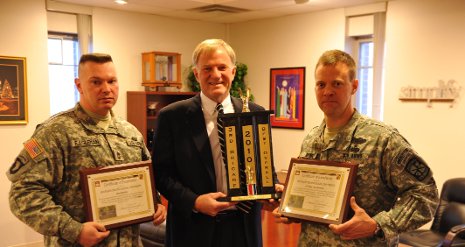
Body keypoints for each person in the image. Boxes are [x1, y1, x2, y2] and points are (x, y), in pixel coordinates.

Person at [273, 50, 439, 246]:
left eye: (337, 83)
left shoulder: (383, 139)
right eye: (321, 84)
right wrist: (292, 206)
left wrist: (378, 224)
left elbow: (426, 193)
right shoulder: (311, 139)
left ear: (354, 86)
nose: (327, 91)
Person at [7, 53, 166, 246]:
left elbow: (146, 179)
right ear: (79, 85)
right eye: (96, 82)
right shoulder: (55, 133)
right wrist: (74, 230)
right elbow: (22, 193)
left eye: (112, 81)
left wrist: (155, 203)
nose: (106, 89)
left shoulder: (130, 133)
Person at [152, 38, 282, 247]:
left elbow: (264, 166)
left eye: (222, 67)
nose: (215, 75)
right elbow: (161, 175)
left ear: (233, 71)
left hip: (244, 229)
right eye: (207, 69)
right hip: (193, 231)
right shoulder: (172, 117)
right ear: (196, 74)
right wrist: (194, 202)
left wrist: (271, 188)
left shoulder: (255, 113)